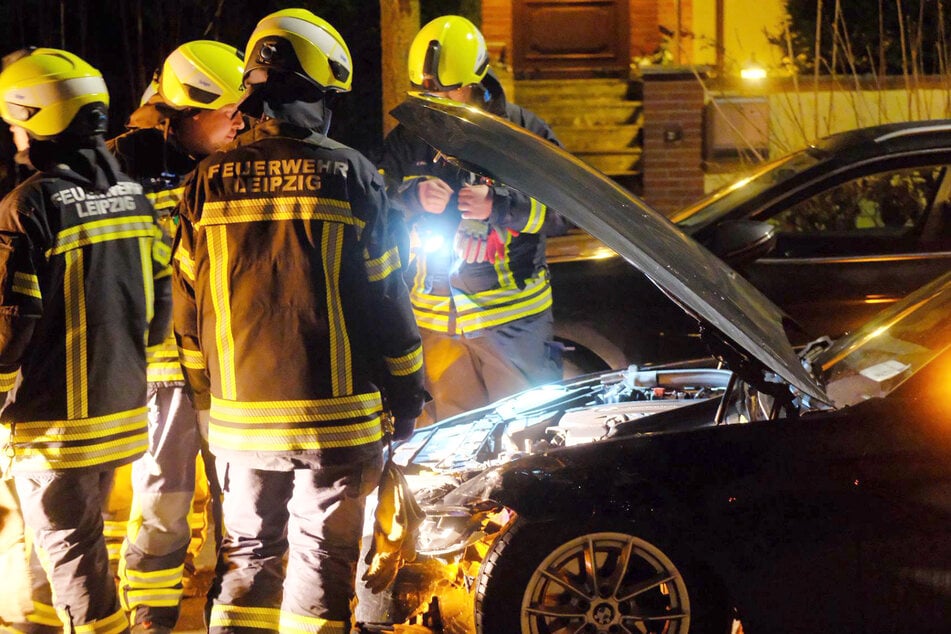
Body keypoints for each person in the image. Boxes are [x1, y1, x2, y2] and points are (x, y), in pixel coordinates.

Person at [172, 9, 426, 633]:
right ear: (318, 93)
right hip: (335, 421)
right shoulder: (353, 176)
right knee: (322, 556)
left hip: (238, 419)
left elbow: (186, 304)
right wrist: (407, 392)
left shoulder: (206, 181)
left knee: (248, 556)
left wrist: (206, 397)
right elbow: (387, 299)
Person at [0, 47, 171, 633]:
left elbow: (11, 319)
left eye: (17, 121)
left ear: (40, 119)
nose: (15, 135)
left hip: (55, 422)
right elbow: (160, 301)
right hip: (121, 409)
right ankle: (40, 623)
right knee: (79, 544)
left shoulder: (29, 205)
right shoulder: (133, 195)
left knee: (74, 555)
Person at [107, 39, 246, 634]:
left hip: (230, 367)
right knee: (163, 500)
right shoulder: (128, 171)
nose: (240, 122)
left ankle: (227, 607)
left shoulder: (219, 163)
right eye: (227, 114)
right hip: (166, 373)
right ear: (189, 113)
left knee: (240, 498)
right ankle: (150, 616)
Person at [380, 15, 565, 424]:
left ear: (475, 82)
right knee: (447, 439)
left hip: (512, 324)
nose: (437, 103)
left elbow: (562, 212)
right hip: (435, 321)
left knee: (525, 434)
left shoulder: (524, 133)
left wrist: (497, 205)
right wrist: (411, 197)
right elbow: (374, 203)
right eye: (426, 93)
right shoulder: (408, 138)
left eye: (448, 91)